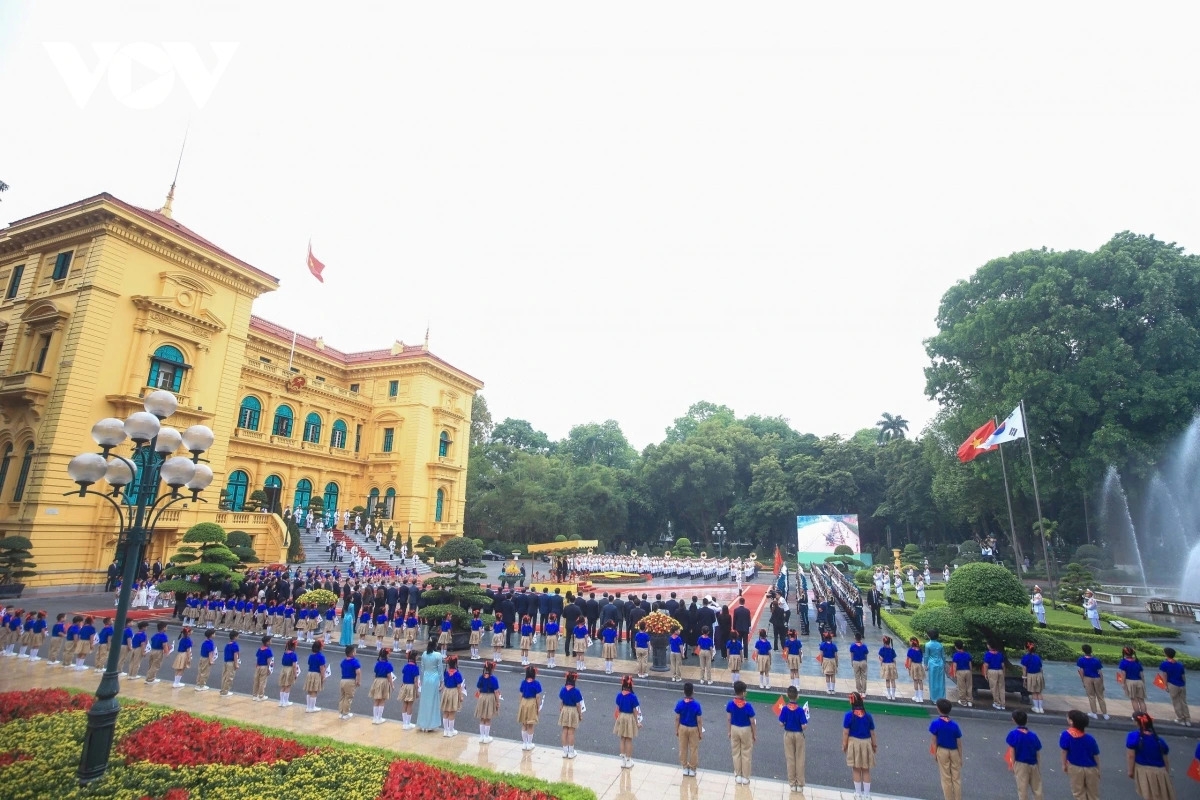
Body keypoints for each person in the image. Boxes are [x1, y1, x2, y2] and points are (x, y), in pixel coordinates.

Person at [1126, 713, 1175, 800]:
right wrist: (1166, 772)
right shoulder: (1159, 740)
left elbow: (1131, 756)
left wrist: (1130, 771)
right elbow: (1165, 759)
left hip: (1143, 770)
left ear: (1137, 723)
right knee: (1161, 796)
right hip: (1160, 771)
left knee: (1149, 795)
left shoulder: (1133, 737)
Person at [842, 692, 877, 800]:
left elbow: (845, 732)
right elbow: (872, 732)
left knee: (856, 768)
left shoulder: (849, 715)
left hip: (854, 743)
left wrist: (844, 744)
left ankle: (858, 793)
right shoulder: (868, 716)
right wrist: (874, 745)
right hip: (866, 743)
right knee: (866, 769)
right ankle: (867, 794)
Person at [1060, 709, 1101, 800]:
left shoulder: (1066, 735)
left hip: (1075, 767)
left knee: (1078, 792)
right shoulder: (1090, 738)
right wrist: (1098, 769)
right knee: (1093, 793)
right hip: (1091, 768)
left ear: (1071, 721)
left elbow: (1064, 751)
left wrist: (1063, 764)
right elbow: (1096, 755)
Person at [930, 698, 964, 800]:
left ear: (938, 709)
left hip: (942, 751)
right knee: (956, 778)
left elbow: (934, 740)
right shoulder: (954, 725)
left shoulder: (935, 723)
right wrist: (960, 756)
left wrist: (934, 753)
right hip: (954, 752)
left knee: (946, 778)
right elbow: (959, 742)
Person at [1006, 710, 1044, 800]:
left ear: (1013, 720)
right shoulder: (1033, 735)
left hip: (1020, 763)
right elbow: (1038, 751)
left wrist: (1012, 764)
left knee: (1022, 788)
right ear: (1027, 720)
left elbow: (1012, 751)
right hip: (1033, 764)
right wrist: (1038, 765)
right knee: (1037, 788)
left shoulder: (1013, 734)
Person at [779, 685, 808, 792]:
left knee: (790, 759)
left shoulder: (785, 709)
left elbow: (781, 724)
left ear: (787, 696)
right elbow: (804, 726)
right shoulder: (800, 710)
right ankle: (800, 784)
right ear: (797, 696)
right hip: (799, 735)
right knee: (800, 758)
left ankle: (792, 783)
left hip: (788, 734)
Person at [726, 680, 756, 785]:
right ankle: (746, 777)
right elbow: (752, 721)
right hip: (746, 729)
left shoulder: (730, 704)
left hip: (734, 728)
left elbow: (729, 719)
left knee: (735, 752)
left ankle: (738, 775)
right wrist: (754, 733)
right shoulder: (748, 706)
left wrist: (729, 731)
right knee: (746, 753)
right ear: (743, 692)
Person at [613, 675, 642, 768]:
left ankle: (623, 760)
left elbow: (617, 708)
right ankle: (629, 760)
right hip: (629, 717)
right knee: (629, 739)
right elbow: (635, 710)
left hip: (621, 716)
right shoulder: (633, 697)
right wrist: (638, 722)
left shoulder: (619, 695)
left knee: (622, 738)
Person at [1157, 648, 1190, 726]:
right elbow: (1183, 676)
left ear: (1166, 654)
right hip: (1181, 685)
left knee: (1176, 702)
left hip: (1172, 685)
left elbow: (1164, 675)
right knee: (1183, 702)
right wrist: (1183, 684)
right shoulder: (1180, 664)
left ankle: (1180, 719)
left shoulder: (1164, 664)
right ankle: (1187, 720)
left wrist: (1165, 686)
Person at [675, 681, 703, 777]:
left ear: (684, 692)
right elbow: (699, 720)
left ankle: (684, 767)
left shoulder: (679, 703)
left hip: (682, 727)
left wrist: (676, 729)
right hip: (693, 728)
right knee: (693, 749)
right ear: (693, 692)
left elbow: (677, 718)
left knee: (683, 748)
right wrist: (700, 732)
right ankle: (692, 769)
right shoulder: (697, 705)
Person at [1077, 644, 1109, 720]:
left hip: (1087, 678)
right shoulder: (1096, 660)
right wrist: (1102, 682)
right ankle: (1105, 714)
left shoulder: (1081, 660)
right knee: (1101, 696)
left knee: (1091, 696)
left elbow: (1081, 671)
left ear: (1083, 651)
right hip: (1097, 678)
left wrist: (1083, 680)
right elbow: (1100, 672)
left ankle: (1094, 713)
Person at [516, 665, 544, 750]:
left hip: (524, 702)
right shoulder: (536, 683)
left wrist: (521, 703)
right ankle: (529, 743)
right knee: (530, 724)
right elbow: (538, 696)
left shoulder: (523, 682)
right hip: (532, 702)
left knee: (524, 723)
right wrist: (538, 707)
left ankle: (524, 743)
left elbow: (520, 694)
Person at [558, 671, 584, 759]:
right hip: (573, 711)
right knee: (571, 732)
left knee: (564, 730)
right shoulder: (576, 691)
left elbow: (561, 702)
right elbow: (578, 705)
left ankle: (565, 751)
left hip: (565, 709)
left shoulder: (563, 689)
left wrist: (561, 710)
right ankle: (571, 752)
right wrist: (580, 715)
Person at [474, 659, 500, 742]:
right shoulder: (494, 679)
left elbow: (478, 687)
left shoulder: (481, 677)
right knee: (488, 717)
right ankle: (486, 736)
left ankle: (481, 736)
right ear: (492, 669)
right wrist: (497, 702)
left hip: (482, 696)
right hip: (490, 697)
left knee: (482, 717)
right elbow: (496, 692)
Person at [1118, 646, 1148, 716]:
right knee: (1141, 700)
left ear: (1124, 654)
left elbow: (1123, 674)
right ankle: (1144, 715)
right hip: (1139, 682)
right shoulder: (1137, 662)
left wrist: (1122, 683)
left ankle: (1137, 716)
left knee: (1134, 700)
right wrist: (1143, 682)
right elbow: (1141, 674)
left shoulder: (1123, 662)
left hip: (1130, 682)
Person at [440, 653, 465, 737]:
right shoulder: (457, 674)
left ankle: (445, 730)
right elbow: (459, 687)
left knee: (446, 711)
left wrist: (441, 688)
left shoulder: (446, 673)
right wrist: (460, 696)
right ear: (455, 663)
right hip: (454, 692)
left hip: (446, 691)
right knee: (452, 712)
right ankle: (451, 731)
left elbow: (444, 683)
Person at [1021, 642, 1046, 714]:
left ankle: (1036, 707)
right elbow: (1041, 667)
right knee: (1039, 692)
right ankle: (1041, 708)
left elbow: (1024, 669)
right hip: (1039, 675)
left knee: (1034, 692)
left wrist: (1024, 678)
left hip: (1031, 675)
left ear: (1026, 649)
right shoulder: (1038, 657)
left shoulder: (1025, 657)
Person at [338, 644, 361, 720]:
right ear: (352, 653)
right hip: (350, 681)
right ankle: (346, 713)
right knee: (348, 697)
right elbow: (358, 672)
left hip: (343, 680)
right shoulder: (355, 662)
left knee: (342, 696)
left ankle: (341, 712)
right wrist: (358, 681)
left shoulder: (343, 661)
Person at [304, 640, 328, 713]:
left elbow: (309, 664)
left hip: (310, 673)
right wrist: (323, 676)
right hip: (316, 674)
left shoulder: (311, 656)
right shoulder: (321, 657)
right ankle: (312, 707)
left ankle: (308, 707)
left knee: (309, 690)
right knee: (314, 691)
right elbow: (321, 668)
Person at [399, 650, 420, 729]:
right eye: (417, 656)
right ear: (415, 657)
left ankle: (404, 723)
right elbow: (415, 681)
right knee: (410, 704)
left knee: (405, 703)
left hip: (405, 685)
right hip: (411, 686)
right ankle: (408, 723)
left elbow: (404, 675)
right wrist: (417, 691)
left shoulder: (406, 666)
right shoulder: (415, 668)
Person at [983, 642, 1007, 711]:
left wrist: (985, 674)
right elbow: (1003, 665)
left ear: (989, 646)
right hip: (1000, 671)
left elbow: (986, 665)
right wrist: (1004, 673)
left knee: (994, 688)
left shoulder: (988, 654)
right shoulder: (1000, 654)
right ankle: (1003, 704)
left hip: (992, 671)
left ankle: (997, 703)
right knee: (1001, 688)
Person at [925, 630, 947, 702]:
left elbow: (926, 656)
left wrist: (925, 665)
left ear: (929, 636)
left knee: (932, 681)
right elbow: (943, 656)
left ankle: (934, 698)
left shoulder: (927, 645)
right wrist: (944, 664)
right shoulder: (940, 645)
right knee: (941, 681)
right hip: (940, 663)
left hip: (932, 664)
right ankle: (942, 697)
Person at [950, 641, 973, 707]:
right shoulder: (967, 654)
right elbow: (970, 664)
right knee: (969, 686)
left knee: (961, 687)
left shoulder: (956, 655)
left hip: (960, 672)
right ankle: (969, 701)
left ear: (956, 647)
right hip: (968, 671)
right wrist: (970, 671)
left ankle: (963, 701)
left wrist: (954, 674)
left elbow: (954, 665)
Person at [252, 635, 274, 701]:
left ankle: (255, 695)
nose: (271, 642)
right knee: (262, 682)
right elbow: (269, 661)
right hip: (264, 666)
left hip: (258, 666)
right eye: (270, 640)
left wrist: (256, 665)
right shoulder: (268, 651)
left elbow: (257, 657)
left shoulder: (260, 649)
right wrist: (269, 669)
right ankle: (261, 695)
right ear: (267, 642)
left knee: (256, 681)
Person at [278, 638, 299, 707]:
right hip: (290, 670)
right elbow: (294, 665)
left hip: (284, 669)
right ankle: (286, 701)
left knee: (283, 685)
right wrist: (295, 674)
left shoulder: (285, 653)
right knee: (288, 685)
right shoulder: (293, 655)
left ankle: (281, 701)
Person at [906, 636, 926, 703]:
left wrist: (909, 667)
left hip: (914, 665)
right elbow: (921, 657)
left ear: (911, 642)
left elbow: (910, 660)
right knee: (920, 681)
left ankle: (916, 696)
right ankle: (921, 697)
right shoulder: (920, 649)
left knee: (915, 681)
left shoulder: (910, 650)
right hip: (920, 665)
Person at [879, 635, 899, 701]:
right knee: (893, 680)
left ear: (884, 642)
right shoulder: (892, 650)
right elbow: (894, 660)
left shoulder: (882, 649)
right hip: (892, 665)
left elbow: (881, 659)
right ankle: (893, 695)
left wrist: (881, 665)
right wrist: (895, 667)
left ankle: (889, 695)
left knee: (887, 680)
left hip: (885, 665)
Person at [221, 631, 240, 696]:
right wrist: (236, 664)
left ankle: (223, 689)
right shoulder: (235, 645)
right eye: (238, 636)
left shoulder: (227, 644)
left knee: (224, 676)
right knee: (230, 677)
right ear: (235, 637)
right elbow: (235, 655)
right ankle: (225, 691)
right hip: (231, 662)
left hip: (226, 662)